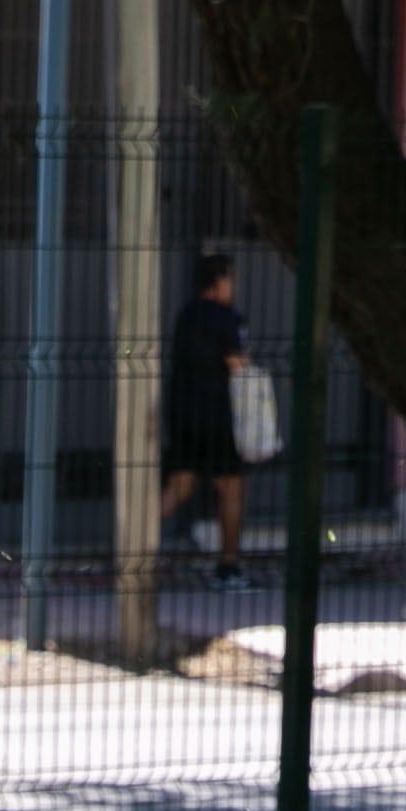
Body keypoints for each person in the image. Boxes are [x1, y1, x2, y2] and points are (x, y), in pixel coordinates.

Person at [160, 251, 251, 591]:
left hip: (183, 413)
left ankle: (130, 550)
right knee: (231, 486)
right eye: (230, 279)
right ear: (219, 281)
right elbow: (239, 365)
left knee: (180, 484)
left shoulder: (186, 315)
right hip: (217, 416)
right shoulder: (227, 318)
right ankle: (228, 564)